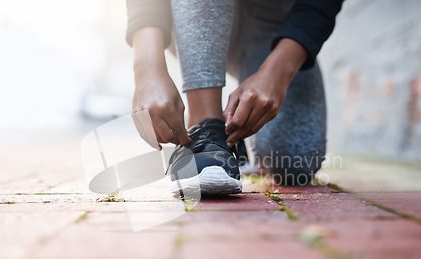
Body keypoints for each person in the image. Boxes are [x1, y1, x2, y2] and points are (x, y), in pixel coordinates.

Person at [126, 0, 343, 195]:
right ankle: (205, 128)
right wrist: (146, 69)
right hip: (195, 16)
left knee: (295, 162)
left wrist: (278, 74)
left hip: (278, 27)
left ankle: (239, 146)